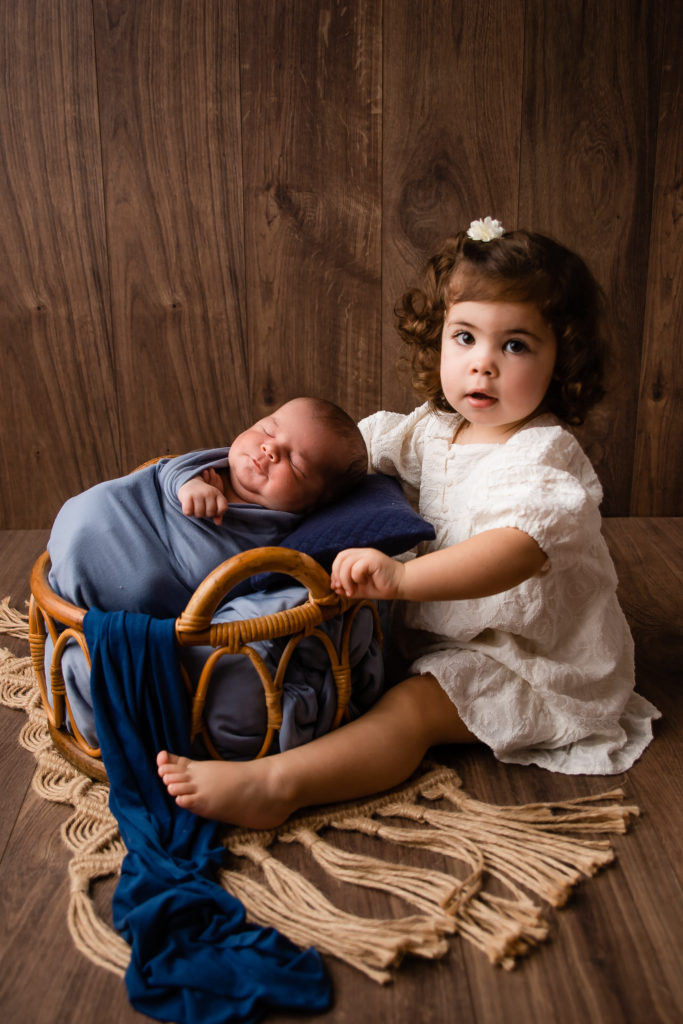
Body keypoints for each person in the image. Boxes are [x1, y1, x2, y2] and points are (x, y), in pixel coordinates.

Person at [157, 218, 660, 828]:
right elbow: (339, 458)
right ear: (438, 340)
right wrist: (250, 474)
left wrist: (399, 581)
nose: (484, 367)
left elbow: (515, 551)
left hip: (525, 657)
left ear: (563, 360)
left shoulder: (541, 457)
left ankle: (279, 784)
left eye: (516, 345)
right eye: (466, 338)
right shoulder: (430, 429)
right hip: (435, 635)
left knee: (410, 712)